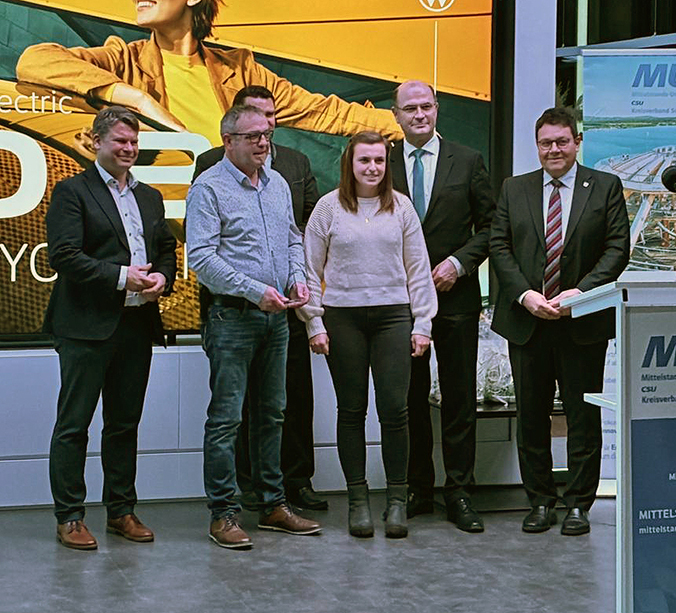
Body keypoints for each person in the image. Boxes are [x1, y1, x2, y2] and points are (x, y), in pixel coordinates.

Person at [489, 107, 630, 536]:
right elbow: (499, 246)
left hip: (581, 322)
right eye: (546, 143)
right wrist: (525, 295)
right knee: (531, 418)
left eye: (562, 141)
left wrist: (581, 293)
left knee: (582, 418)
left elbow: (617, 248)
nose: (554, 149)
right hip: (527, 321)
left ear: (577, 142)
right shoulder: (514, 188)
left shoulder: (605, 186)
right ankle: (540, 501)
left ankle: (579, 505)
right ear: (537, 146)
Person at [185, 104, 320, 549]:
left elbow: (293, 239)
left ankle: (273, 504)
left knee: (272, 414)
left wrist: (297, 278)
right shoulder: (208, 188)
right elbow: (201, 258)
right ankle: (223, 514)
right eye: (253, 136)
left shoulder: (277, 183)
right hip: (232, 318)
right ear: (228, 141)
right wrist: (254, 290)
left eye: (266, 134)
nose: (264, 142)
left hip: (275, 318)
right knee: (226, 419)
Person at [44, 106, 177, 550]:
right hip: (85, 326)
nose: (129, 149)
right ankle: (70, 517)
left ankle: (121, 510)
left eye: (134, 142)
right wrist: (123, 277)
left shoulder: (150, 196)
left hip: (137, 324)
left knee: (124, 424)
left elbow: (165, 251)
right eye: (120, 140)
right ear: (97, 141)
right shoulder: (72, 191)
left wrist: (162, 278)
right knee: (74, 425)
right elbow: (63, 255)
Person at [16, 0, 403, 145]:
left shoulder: (240, 70)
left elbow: (326, 112)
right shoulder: (125, 58)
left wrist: (413, 126)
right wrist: (137, 99)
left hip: (230, 229)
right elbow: (35, 59)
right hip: (161, 229)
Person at [300, 131, 437, 539]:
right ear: (350, 164)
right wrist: (314, 322)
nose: (373, 168)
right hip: (343, 319)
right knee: (351, 411)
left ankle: (396, 501)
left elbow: (418, 269)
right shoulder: (327, 208)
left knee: (395, 411)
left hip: (394, 318)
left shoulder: (402, 208)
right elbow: (309, 270)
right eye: (364, 160)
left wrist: (423, 323)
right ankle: (358, 502)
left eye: (379, 160)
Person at [389, 80, 495, 533]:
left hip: (455, 298)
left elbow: (491, 226)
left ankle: (460, 491)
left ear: (437, 110)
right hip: (398, 301)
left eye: (426, 106)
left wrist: (459, 263)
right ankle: (417, 487)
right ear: (395, 115)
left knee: (458, 398)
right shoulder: (381, 161)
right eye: (410, 108)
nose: (419, 114)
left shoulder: (467, 160)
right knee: (408, 397)